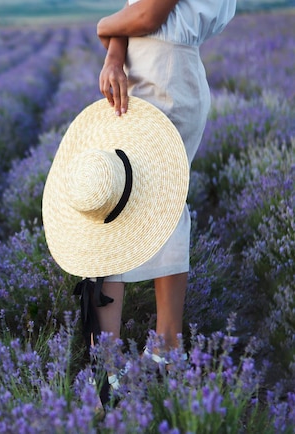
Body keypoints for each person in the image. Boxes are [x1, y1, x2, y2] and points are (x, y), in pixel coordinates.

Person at [94, 0, 236, 379]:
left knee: (127, 207)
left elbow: (147, 16)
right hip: (141, 74)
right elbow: (135, 11)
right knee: (120, 203)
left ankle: (119, 364)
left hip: (167, 79)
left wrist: (103, 24)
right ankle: (153, 351)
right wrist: (113, 56)